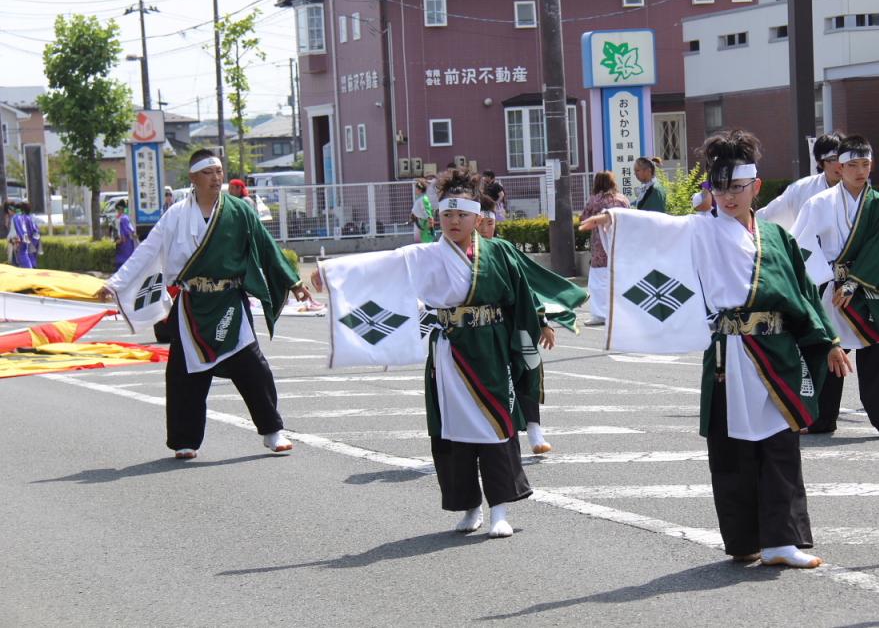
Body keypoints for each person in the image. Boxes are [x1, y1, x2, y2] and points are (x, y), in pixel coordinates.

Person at [581, 129, 851, 569]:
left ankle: (783, 542)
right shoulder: (702, 231)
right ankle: (744, 541)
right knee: (732, 450)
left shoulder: (776, 237)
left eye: (736, 187)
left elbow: (802, 295)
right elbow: (661, 229)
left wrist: (830, 341)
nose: (727, 196)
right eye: (719, 187)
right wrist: (617, 222)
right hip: (731, 353)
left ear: (756, 187)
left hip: (778, 351)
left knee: (781, 445)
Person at [314, 169, 582, 537]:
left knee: (496, 427)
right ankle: (469, 506)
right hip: (448, 350)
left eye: (462, 215)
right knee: (453, 432)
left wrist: (540, 324)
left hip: (489, 350)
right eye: (447, 215)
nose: (454, 222)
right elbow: (381, 265)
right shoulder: (424, 255)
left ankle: (499, 510)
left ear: (477, 218)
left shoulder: (499, 251)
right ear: (437, 218)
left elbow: (522, 295)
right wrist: (329, 273)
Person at [100, 149, 312, 460]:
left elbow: (266, 246)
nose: (216, 177)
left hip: (229, 302)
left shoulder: (239, 210)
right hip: (192, 305)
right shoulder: (175, 216)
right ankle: (185, 439)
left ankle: (272, 431)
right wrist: (114, 284)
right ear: (193, 178)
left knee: (253, 367)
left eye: (219, 171)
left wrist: (293, 281)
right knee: (184, 374)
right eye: (209, 172)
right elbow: (148, 250)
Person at [791, 135, 879, 439]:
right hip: (829, 286)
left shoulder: (878, 204)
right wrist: (825, 278)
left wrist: (852, 285)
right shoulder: (819, 203)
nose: (860, 171)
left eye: (865, 164)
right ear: (839, 167)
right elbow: (801, 244)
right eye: (852, 165)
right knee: (824, 351)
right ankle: (817, 417)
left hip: (868, 289)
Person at [477, 193, 588, 454]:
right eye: (481, 222)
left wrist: (543, 320)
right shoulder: (457, 253)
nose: (486, 228)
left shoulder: (504, 249)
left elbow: (528, 286)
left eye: (490, 223)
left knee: (527, 370)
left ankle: (535, 429)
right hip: (477, 331)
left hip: (513, 323)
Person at [758, 132, 845, 230]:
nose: (840, 164)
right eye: (833, 159)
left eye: (843, 158)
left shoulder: (861, 189)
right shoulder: (801, 189)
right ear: (820, 163)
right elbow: (770, 214)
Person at [580, 172, 630, 326]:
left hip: (600, 247)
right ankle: (621, 313)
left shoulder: (595, 200)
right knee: (618, 280)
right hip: (619, 245)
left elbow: (584, 218)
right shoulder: (622, 199)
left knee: (597, 281)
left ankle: (600, 314)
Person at [112, 199, 137, 271]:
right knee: (127, 262)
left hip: (120, 243)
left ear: (121, 208)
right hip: (126, 243)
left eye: (118, 209)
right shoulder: (124, 218)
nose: (118, 211)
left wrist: (117, 240)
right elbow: (130, 230)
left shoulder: (119, 218)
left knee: (121, 263)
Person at [411, 178, 435, 243]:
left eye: (416, 189)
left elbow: (427, 211)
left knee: (423, 240)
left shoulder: (424, 199)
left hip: (422, 222)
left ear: (420, 190)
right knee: (419, 240)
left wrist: (429, 221)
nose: (415, 190)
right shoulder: (420, 198)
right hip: (419, 221)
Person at [18, 202, 41, 267]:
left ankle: (32, 268)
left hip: (32, 237)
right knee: (32, 254)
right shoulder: (30, 217)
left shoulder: (23, 218)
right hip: (35, 237)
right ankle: (33, 267)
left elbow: (28, 230)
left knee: (28, 254)